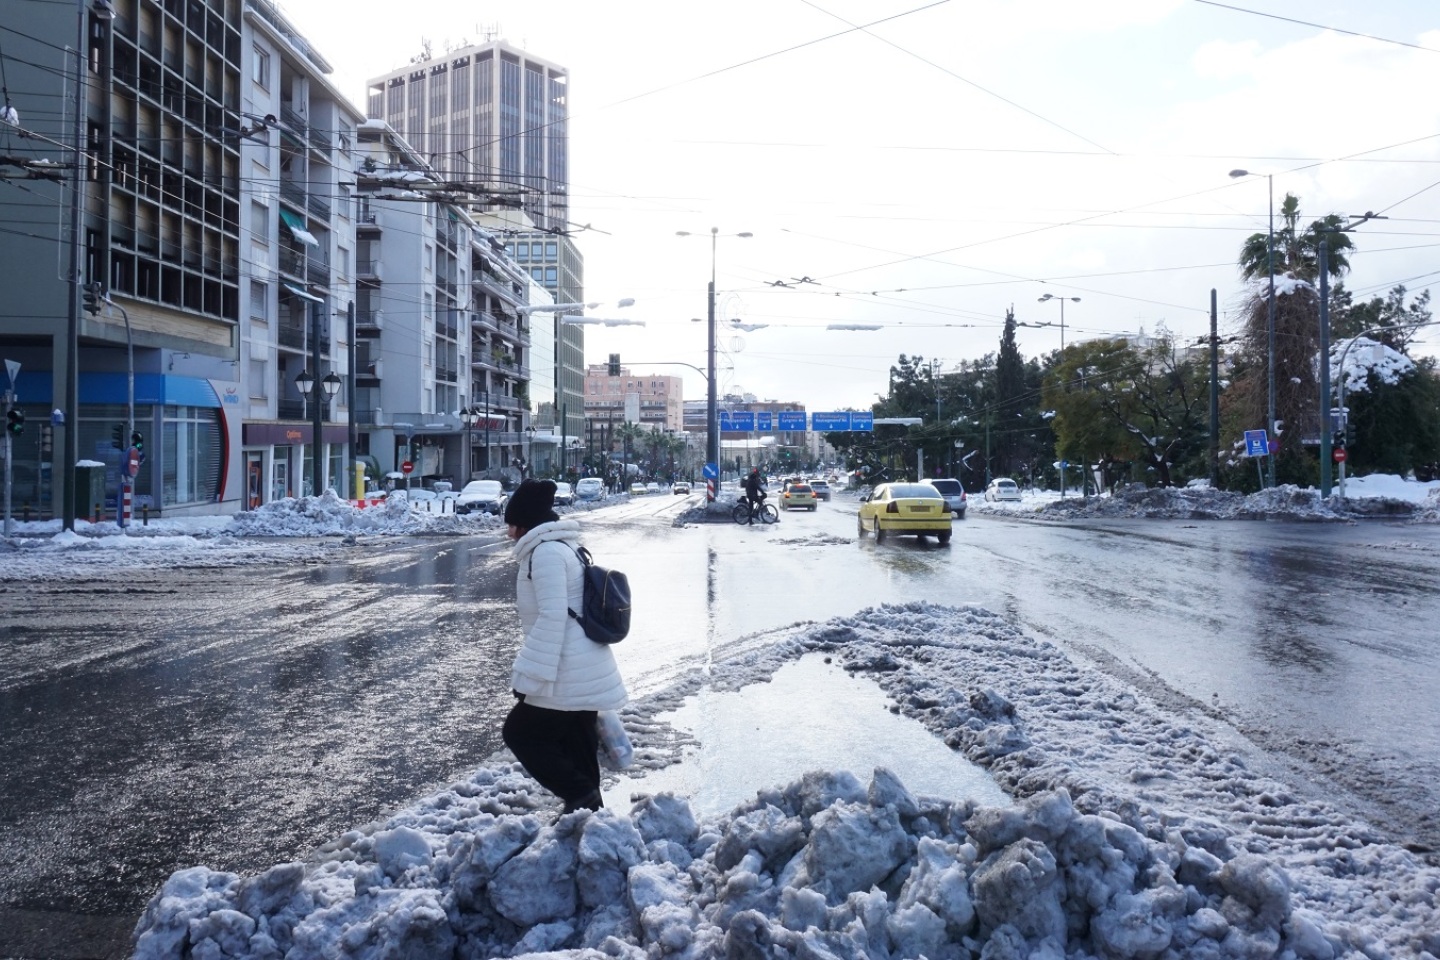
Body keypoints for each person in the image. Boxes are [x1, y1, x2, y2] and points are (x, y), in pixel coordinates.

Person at [500, 479, 628, 813]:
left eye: (514, 525)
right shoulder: (561, 547)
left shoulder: (544, 554)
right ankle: (590, 814)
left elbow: (554, 616)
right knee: (577, 739)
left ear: (528, 524)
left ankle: (581, 797)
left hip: (567, 668)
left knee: (520, 733)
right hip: (581, 661)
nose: (510, 533)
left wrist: (528, 676)